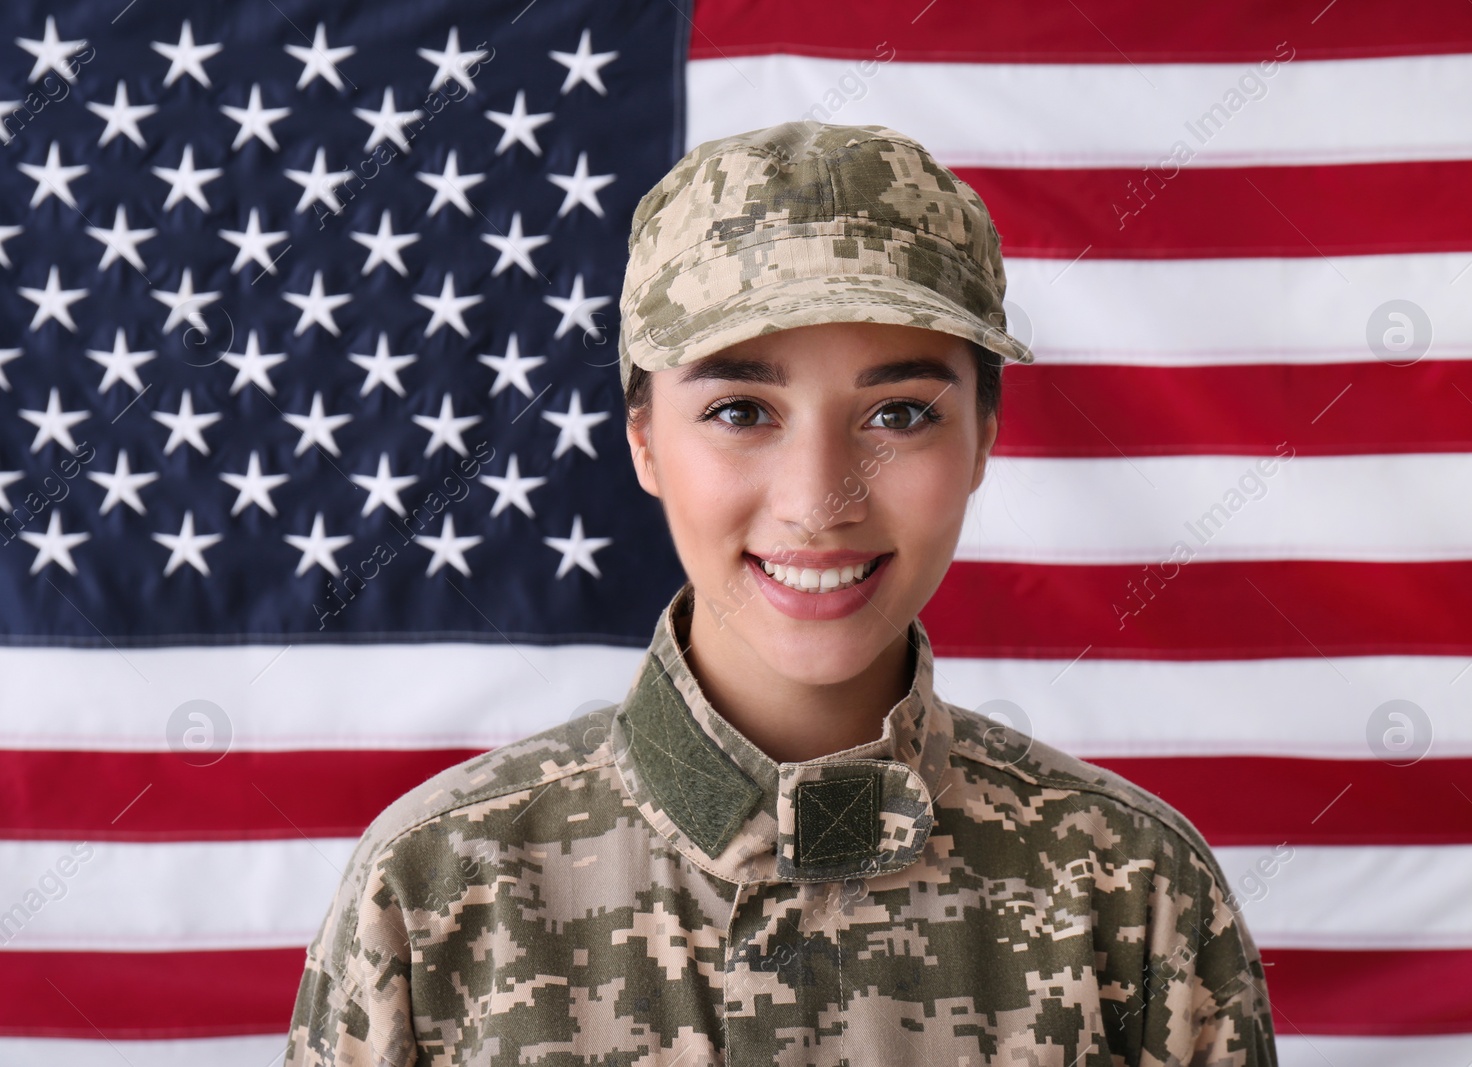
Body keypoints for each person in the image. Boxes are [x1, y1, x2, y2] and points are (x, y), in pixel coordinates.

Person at [283, 120, 1278, 1066]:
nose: (817, 500)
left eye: (897, 411)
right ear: (641, 438)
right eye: (740, 409)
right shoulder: (433, 890)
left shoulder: (1131, 891)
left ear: (982, 436)